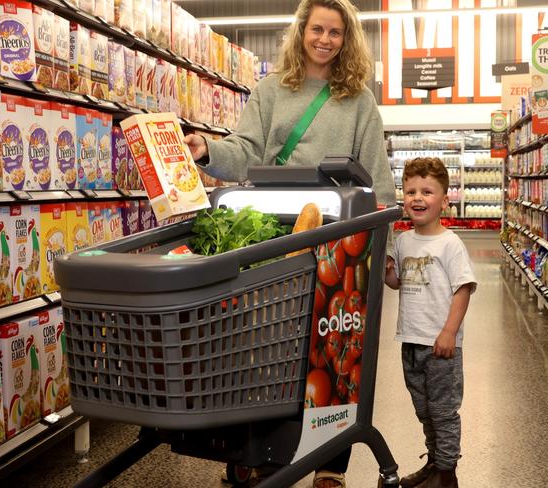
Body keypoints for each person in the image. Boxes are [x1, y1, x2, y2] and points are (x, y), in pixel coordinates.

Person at [185, 2, 395, 487]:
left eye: (336, 33)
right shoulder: (270, 90)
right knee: (266, 345)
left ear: (348, 40)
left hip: (340, 243)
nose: (325, 39)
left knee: (334, 346)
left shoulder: (359, 101)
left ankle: (330, 464)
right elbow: (245, 152)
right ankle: (256, 449)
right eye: (317, 29)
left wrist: (386, 247)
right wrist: (207, 151)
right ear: (302, 32)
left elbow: (379, 182)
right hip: (274, 235)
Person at [385, 157, 477, 488]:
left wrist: (449, 332)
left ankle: (448, 474)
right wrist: (388, 272)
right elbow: (398, 283)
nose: (417, 198)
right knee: (424, 410)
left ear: (444, 200)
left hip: (440, 346)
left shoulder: (450, 243)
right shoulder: (403, 240)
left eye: (427, 191)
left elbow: (463, 288)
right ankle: (435, 463)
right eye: (410, 191)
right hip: (410, 340)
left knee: (443, 412)